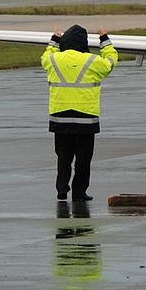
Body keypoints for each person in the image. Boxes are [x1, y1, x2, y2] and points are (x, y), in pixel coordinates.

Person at [42, 25, 118, 201]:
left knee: (63, 157)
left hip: (60, 118)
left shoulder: (54, 60)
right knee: (83, 160)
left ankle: (62, 189)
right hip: (85, 118)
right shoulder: (92, 61)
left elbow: (45, 56)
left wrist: (54, 40)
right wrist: (104, 40)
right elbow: (111, 61)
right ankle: (79, 192)